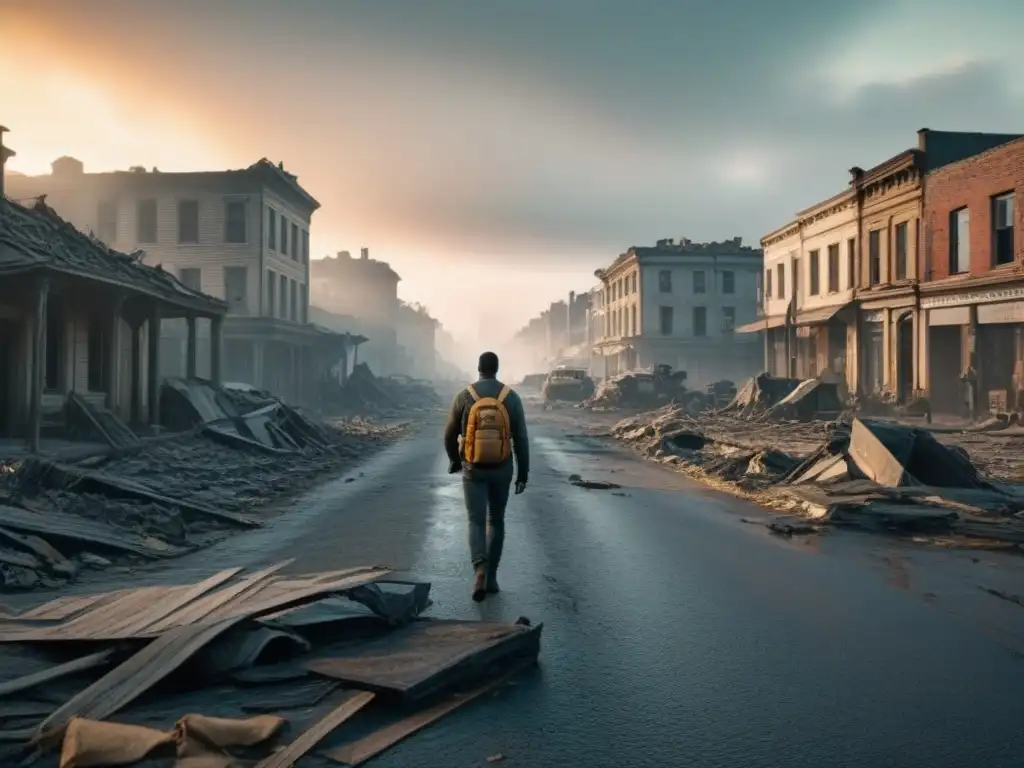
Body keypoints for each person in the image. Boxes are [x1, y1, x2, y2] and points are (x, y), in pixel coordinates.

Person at [443, 351, 529, 602]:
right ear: (497, 369)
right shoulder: (511, 398)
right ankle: (491, 578)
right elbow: (521, 439)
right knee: (497, 521)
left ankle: (479, 568)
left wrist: (455, 461)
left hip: (473, 467)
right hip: (502, 467)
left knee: (476, 521)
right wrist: (523, 473)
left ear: (478, 368)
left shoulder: (464, 396)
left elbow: (449, 435)